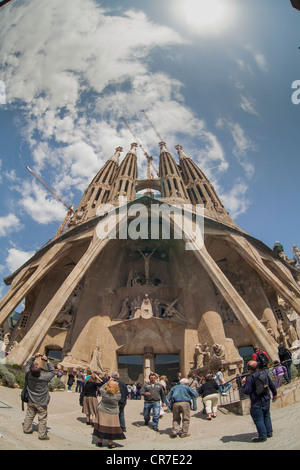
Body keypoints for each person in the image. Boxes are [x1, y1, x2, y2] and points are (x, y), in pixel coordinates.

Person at [241, 360, 277, 442]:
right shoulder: (264, 373)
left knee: (258, 419)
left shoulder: (250, 378)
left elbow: (247, 391)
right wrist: (274, 394)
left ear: (249, 369)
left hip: (256, 401)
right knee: (266, 415)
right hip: (266, 398)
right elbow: (271, 384)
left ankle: (262, 436)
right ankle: (269, 432)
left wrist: (243, 384)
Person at [23, 353, 56, 440]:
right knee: (42, 418)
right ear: (40, 371)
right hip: (42, 402)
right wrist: (47, 361)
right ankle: (42, 435)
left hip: (31, 399)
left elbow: (28, 364)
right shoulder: (44, 378)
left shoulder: (28, 375)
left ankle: (26, 429)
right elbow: (53, 371)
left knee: (29, 415)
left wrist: (34, 357)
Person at [94, 378, 126, 448]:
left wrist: (108, 382)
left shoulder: (104, 393)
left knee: (102, 426)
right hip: (113, 413)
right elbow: (120, 393)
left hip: (103, 411)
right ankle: (110, 444)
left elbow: (101, 388)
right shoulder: (117, 396)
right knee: (112, 428)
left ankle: (99, 442)